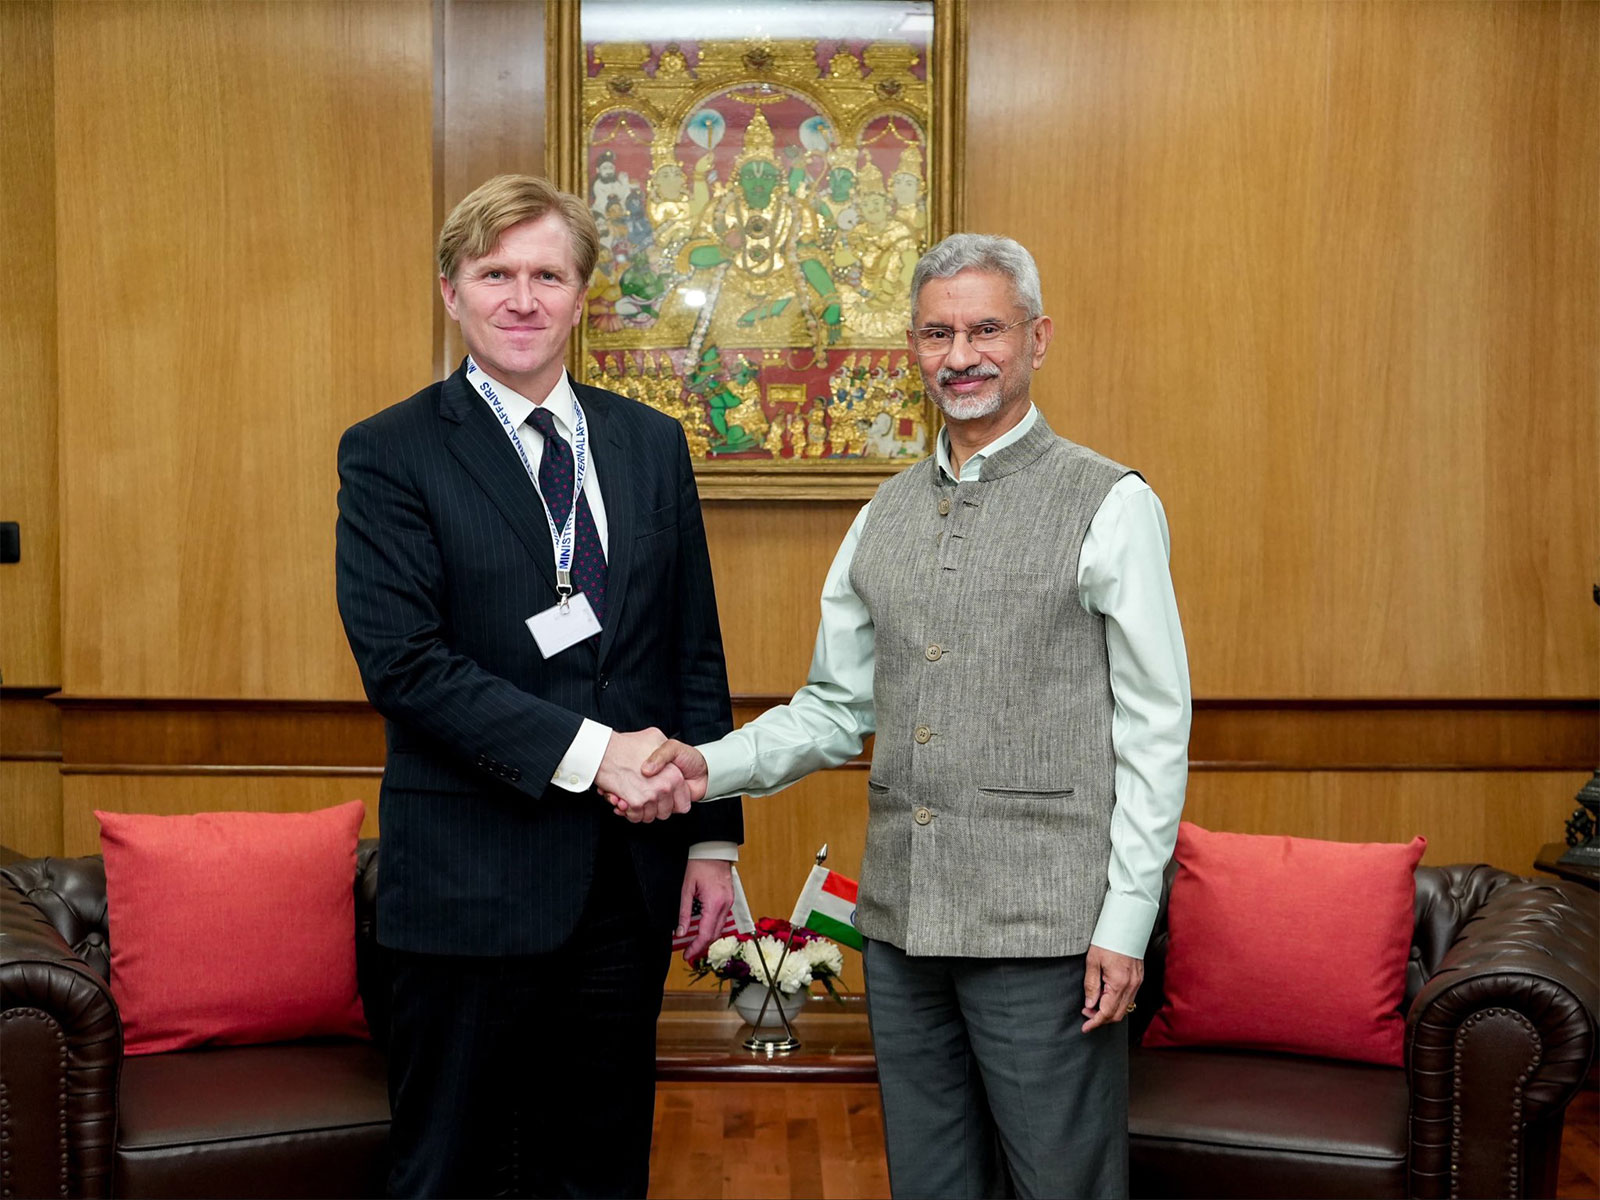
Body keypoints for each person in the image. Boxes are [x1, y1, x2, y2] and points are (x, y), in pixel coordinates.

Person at [633, 233, 1191, 1199]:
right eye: (938, 333)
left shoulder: (1110, 502)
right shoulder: (879, 515)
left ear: (1037, 338)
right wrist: (703, 766)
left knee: (1061, 1183)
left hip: (1048, 933)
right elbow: (833, 709)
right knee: (931, 1185)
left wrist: (1126, 922)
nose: (961, 354)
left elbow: (1155, 730)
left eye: (986, 329)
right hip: (899, 929)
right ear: (914, 347)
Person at [334, 173, 743, 1199]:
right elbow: (405, 664)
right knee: (448, 1171)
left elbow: (691, 644)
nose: (522, 298)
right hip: (470, 883)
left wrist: (711, 838)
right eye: (495, 274)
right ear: (452, 293)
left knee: (599, 1168)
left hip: (628, 882)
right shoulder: (391, 452)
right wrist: (595, 753)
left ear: (580, 296)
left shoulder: (648, 443)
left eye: (547, 275)